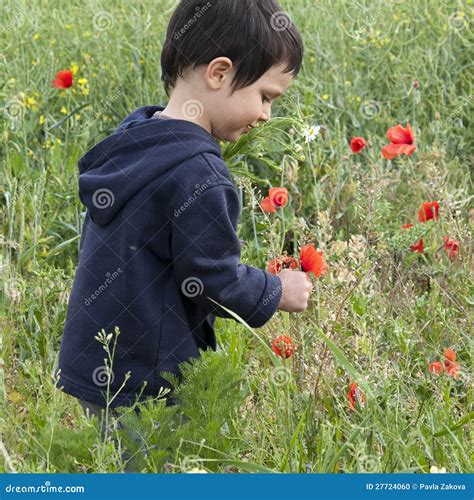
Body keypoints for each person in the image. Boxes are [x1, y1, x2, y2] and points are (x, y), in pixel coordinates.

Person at [54, 0, 310, 467]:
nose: (267, 115)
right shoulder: (200, 173)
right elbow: (214, 282)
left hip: (99, 362)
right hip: (148, 380)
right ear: (218, 73)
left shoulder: (137, 136)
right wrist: (276, 290)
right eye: (267, 96)